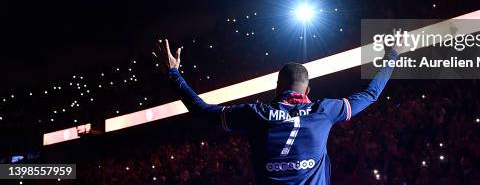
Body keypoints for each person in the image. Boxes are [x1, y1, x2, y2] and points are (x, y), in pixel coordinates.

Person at [155, 39, 398, 184]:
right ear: (308, 89)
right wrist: (392, 56)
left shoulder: (255, 113)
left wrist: (174, 74)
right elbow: (370, 94)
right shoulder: (323, 110)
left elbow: (202, 110)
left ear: (277, 87)